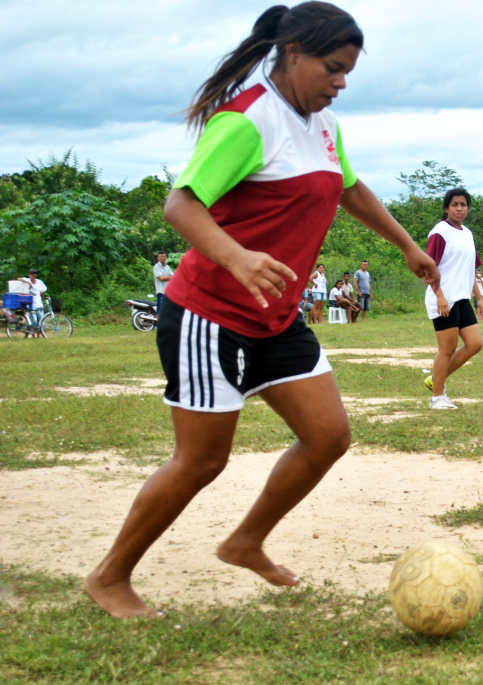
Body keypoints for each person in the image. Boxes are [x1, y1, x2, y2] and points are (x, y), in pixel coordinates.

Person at [84, 3, 439, 619]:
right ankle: (110, 576)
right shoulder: (248, 121)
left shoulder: (322, 126)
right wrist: (239, 259)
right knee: (201, 461)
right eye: (333, 68)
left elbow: (348, 187)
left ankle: (245, 540)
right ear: (294, 52)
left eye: (348, 71)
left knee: (328, 437)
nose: (341, 83)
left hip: (276, 319)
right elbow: (181, 204)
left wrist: (408, 246)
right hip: (209, 315)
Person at [422, 188, 483, 409]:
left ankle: (434, 379)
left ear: (468, 208)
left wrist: (480, 298)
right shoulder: (440, 232)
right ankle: (437, 397)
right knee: (447, 349)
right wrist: (439, 296)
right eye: (455, 205)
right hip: (443, 298)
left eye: (463, 205)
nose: (459, 209)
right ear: (446, 208)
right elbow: (429, 268)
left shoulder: (467, 233)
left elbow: (470, 270)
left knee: (475, 343)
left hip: (461, 298)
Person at [17, 268, 47, 337]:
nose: (33, 275)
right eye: (31, 274)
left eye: (34, 274)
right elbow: (18, 279)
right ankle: (33, 335)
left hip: (39, 305)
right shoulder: (26, 280)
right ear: (29, 275)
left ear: (35, 275)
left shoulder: (39, 282)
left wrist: (41, 293)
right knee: (33, 322)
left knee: (41, 322)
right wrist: (27, 282)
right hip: (31, 305)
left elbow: (43, 290)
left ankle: (38, 336)